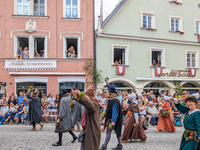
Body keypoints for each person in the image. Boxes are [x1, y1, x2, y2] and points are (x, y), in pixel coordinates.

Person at [99, 80, 123, 150]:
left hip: (113, 119)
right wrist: (108, 84)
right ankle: (119, 145)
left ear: (110, 93)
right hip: (115, 119)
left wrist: (113, 121)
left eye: (108, 91)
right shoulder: (113, 100)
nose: (107, 92)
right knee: (117, 131)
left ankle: (104, 146)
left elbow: (115, 112)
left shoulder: (114, 101)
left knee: (108, 132)